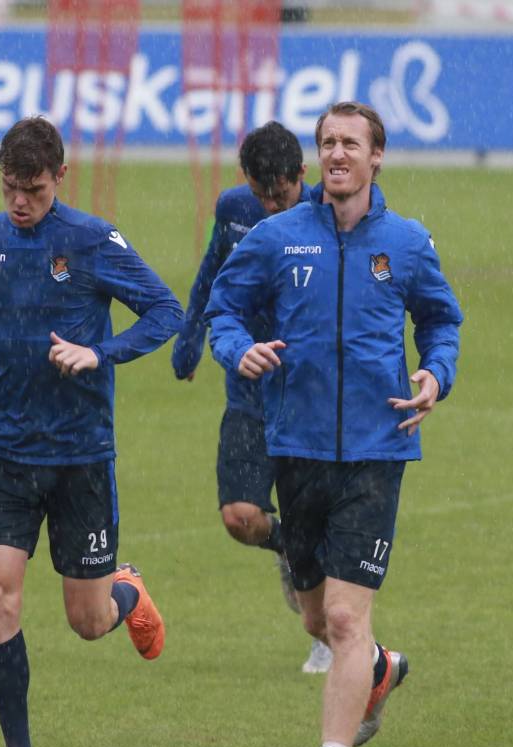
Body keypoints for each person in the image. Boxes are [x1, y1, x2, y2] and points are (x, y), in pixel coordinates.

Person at [205, 101, 463, 747]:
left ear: (377, 156)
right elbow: (224, 309)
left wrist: (435, 374)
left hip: (379, 451)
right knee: (316, 616)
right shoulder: (277, 238)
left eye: (350, 143)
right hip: (298, 447)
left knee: (347, 618)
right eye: (327, 143)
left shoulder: (406, 244)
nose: (337, 154)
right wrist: (235, 350)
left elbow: (441, 320)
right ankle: (379, 670)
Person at [0, 116, 183, 747]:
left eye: (35, 191)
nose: (21, 203)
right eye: (11, 188)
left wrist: (98, 353)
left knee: (87, 621)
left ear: (60, 179)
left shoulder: (92, 240)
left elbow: (166, 312)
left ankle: (124, 590)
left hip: (79, 454)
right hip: (5, 452)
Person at [171, 121, 332, 676]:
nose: (268, 206)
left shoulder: (329, 217)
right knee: (240, 517)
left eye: (279, 195)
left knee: (323, 525)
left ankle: (328, 638)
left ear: (301, 178)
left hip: (309, 401)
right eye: (260, 194)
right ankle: (288, 547)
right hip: (247, 393)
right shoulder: (235, 209)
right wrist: (190, 338)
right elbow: (212, 276)